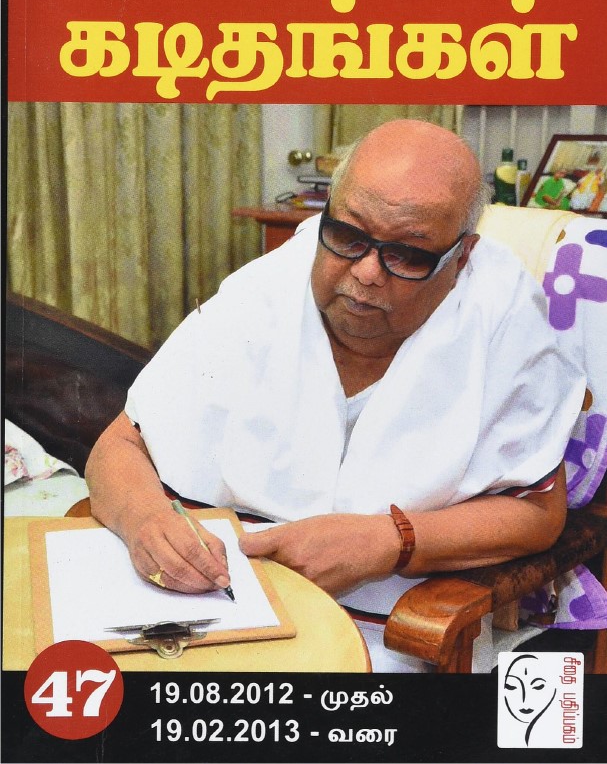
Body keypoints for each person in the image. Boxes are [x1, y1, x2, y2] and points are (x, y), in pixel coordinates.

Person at [86, 119, 585, 672]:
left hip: (395, 628)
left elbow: (539, 512)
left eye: (408, 254)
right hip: (208, 608)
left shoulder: (501, 314)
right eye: (348, 236)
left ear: (461, 256)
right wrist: (145, 521)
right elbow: (118, 447)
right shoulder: (265, 289)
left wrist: (391, 541)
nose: (367, 272)